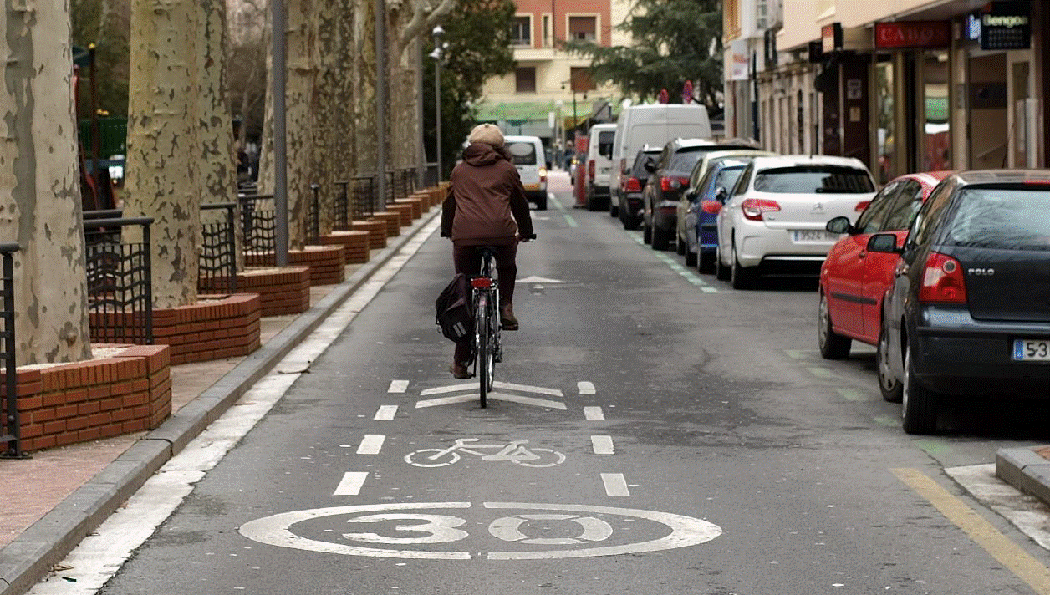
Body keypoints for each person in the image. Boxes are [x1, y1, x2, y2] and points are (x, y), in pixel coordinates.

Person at [441, 124, 534, 379]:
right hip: (501, 234)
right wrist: (525, 231)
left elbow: (450, 205)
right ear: (499, 147)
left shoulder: (459, 171)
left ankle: (460, 362)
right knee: (506, 266)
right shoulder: (507, 170)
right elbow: (520, 203)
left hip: (465, 238)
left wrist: (448, 231)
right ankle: (505, 306)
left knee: (465, 290)